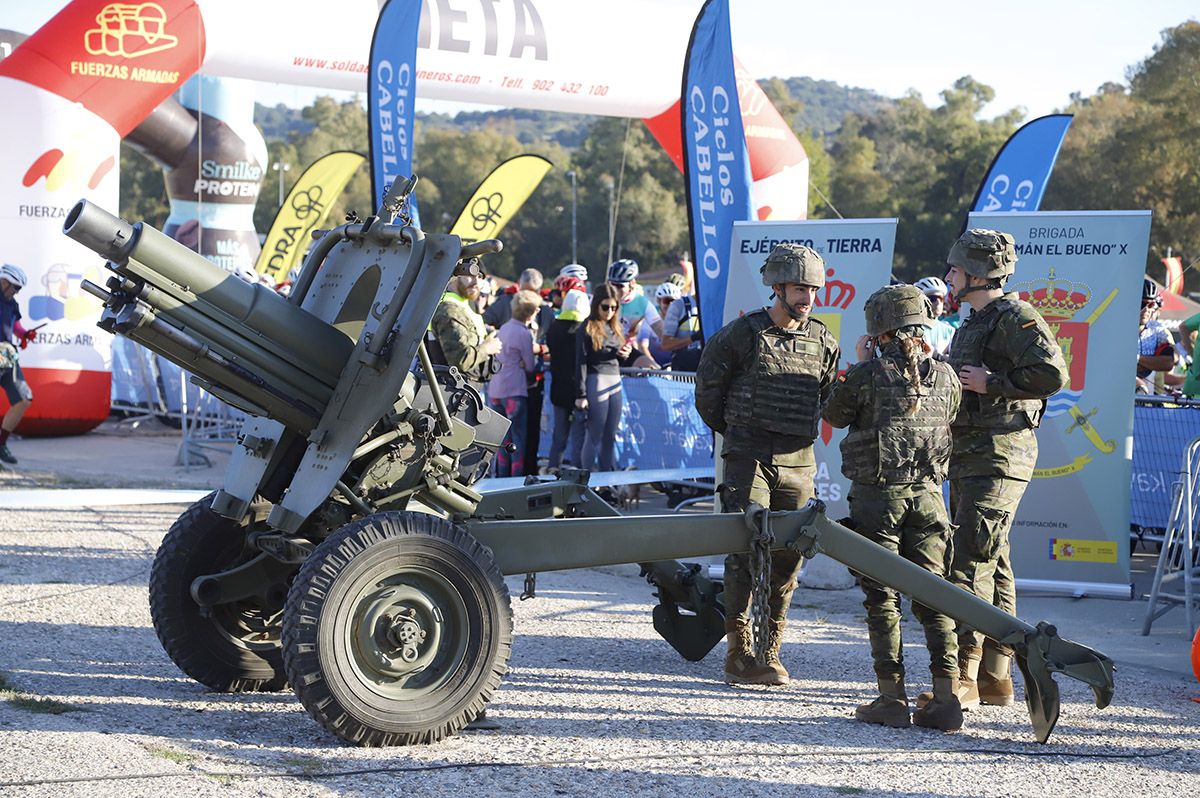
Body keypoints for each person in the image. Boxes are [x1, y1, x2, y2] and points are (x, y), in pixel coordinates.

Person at [694, 243, 840, 686]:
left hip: (799, 461)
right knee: (744, 550)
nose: (807, 298)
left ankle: (769, 649)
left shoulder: (823, 341)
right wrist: (741, 434)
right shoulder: (741, 335)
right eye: (799, 288)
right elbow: (708, 395)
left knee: (787, 559)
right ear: (776, 287)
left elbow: (829, 398)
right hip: (748, 457)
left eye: (813, 289)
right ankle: (739, 653)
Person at [822, 285, 963, 732]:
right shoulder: (948, 376)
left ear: (879, 329)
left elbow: (834, 414)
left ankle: (891, 698)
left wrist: (862, 363)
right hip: (928, 498)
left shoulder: (869, 375)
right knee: (934, 593)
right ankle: (946, 700)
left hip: (878, 499)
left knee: (882, 596)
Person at [938, 228, 1066, 710]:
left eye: (954, 270)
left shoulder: (1014, 315)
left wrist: (993, 382)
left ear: (975, 273)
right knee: (995, 560)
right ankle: (996, 677)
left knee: (970, 562)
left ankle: (964, 678)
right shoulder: (976, 319)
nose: (948, 277)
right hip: (972, 454)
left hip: (998, 453)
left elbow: (1053, 375)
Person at [487, 290, 545, 477]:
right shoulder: (524, 333)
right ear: (531, 312)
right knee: (518, 440)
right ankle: (515, 480)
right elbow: (530, 366)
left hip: (496, 389)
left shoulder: (504, 328)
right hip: (514, 390)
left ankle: (501, 478)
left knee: (503, 440)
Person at [578, 283, 632, 473]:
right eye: (605, 307)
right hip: (596, 379)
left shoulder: (616, 327)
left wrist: (624, 354)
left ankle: (605, 480)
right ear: (596, 305)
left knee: (610, 434)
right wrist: (581, 394)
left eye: (614, 307)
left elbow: (618, 359)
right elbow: (581, 362)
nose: (609, 311)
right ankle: (587, 479)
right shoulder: (588, 327)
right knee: (594, 433)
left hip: (614, 379)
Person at [428, 273, 501, 385]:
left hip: (464, 390)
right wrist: (487, 348)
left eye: (480, 277)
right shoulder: (450, 309)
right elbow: (461, 360)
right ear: (457, 275)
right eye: (471, 275)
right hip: (451, 390)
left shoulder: (465, 307)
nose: (476, 282)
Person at [546, 281, 590, 470]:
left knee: (559, 435)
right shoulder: (584, 330)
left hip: (558, 388)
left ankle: (552, 470)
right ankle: (577, 473)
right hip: (578, 389)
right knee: (578, 436)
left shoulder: (554, 328)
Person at [0, 264, 35, 465]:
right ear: (4, 281)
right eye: (15, 287)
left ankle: (1, 443)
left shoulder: (12, 303)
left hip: (7, 356)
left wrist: (25, 334)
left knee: (24, 399)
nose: (16, 292)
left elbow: (14, 325)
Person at [1136, 279, 1173, 394]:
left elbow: (1168, 363)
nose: (1146, 309)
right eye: (1141, 304)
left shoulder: (1157, 329)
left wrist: (1137, 359)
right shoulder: (1116, 327)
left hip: (1148, 397)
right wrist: (1151, 362)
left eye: (1150, 304)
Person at [659, 280, 704, 372]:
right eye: (667, 301)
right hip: (686, 366)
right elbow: (665, 344)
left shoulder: (719, 304)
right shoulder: (679, 305)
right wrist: (693, 337)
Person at [913, 276, 957, 355]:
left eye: (941, 298)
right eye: (932, 298)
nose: (938, 303)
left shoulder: (950, 331)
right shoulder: (912, 328)